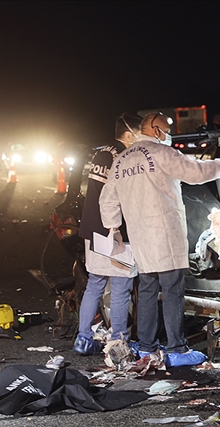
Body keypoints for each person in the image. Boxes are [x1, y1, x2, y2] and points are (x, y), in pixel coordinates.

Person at [99, 112, 220, 366]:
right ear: (156, 130)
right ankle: (177, 349)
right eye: (167, 129)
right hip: (164, 232)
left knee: (147, 290)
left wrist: (113, 228)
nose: (168, 134)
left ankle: (146, 347)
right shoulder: (161, 153)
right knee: (172, 291)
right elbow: (195, 172)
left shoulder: (122, 160)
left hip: (141, 237)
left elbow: (108, 199)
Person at [72, 113, 143, 355]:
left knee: (95, 283)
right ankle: (118, 340)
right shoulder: (124, 157)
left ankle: (83, 338)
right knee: (122, 285)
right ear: (128, 134)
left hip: (92, 230)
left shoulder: (102, 153)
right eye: (139, 133)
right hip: (114, 231)